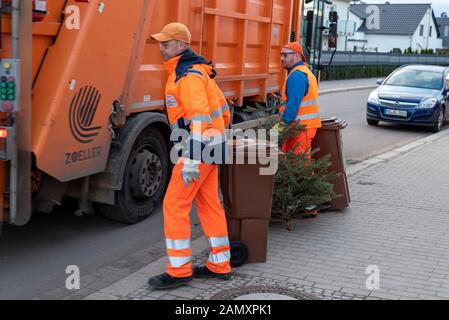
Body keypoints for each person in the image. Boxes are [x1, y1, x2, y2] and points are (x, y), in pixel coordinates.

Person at [148, 23, 232, 289]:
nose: (161, 47)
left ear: (181, 46)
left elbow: (199, 118)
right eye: (160, 43)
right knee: (209, 205)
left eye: (167, 43)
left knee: (174, 205)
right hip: (210, 146)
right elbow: (222, 114)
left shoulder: (188, 76)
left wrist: (192, 160)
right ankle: (220, 264)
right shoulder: (190, 72)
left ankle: (179, 270)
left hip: (198, 149)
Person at [274, 42, 322, 218]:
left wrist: (279, 129)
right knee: (299, 164)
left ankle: (309, 207)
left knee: (301, 166)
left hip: (301, 128)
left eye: (285, 55)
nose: (281, 58)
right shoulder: (302, 73)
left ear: (296, 56)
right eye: (281, 55)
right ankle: (304, 204)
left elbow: (292, 108)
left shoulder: (297, 76)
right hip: (302, 127)